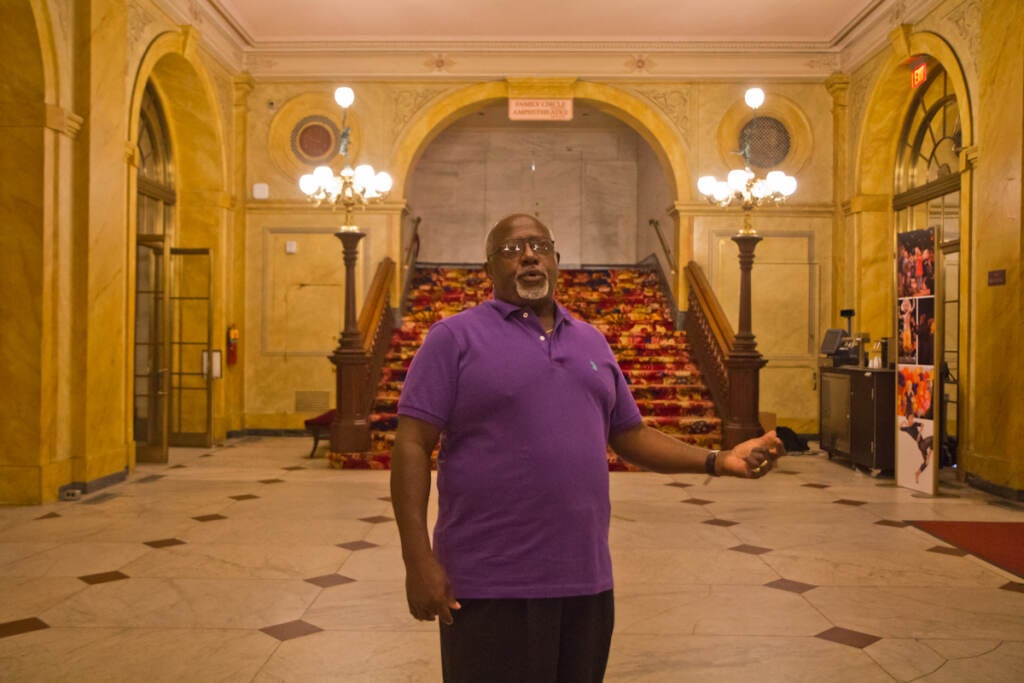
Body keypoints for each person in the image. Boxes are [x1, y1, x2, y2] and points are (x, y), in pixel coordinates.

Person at [390, 213, 785, 682]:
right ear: (488, 270)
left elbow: (629, 433)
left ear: (557, 260)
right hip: (488, 580)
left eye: (539, 245)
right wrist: (417, 558)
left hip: (584, 577)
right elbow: (413, 443)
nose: (529, 255)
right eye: (512, 249)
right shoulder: (454, 338)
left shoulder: (591, 341)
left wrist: (718, 461)